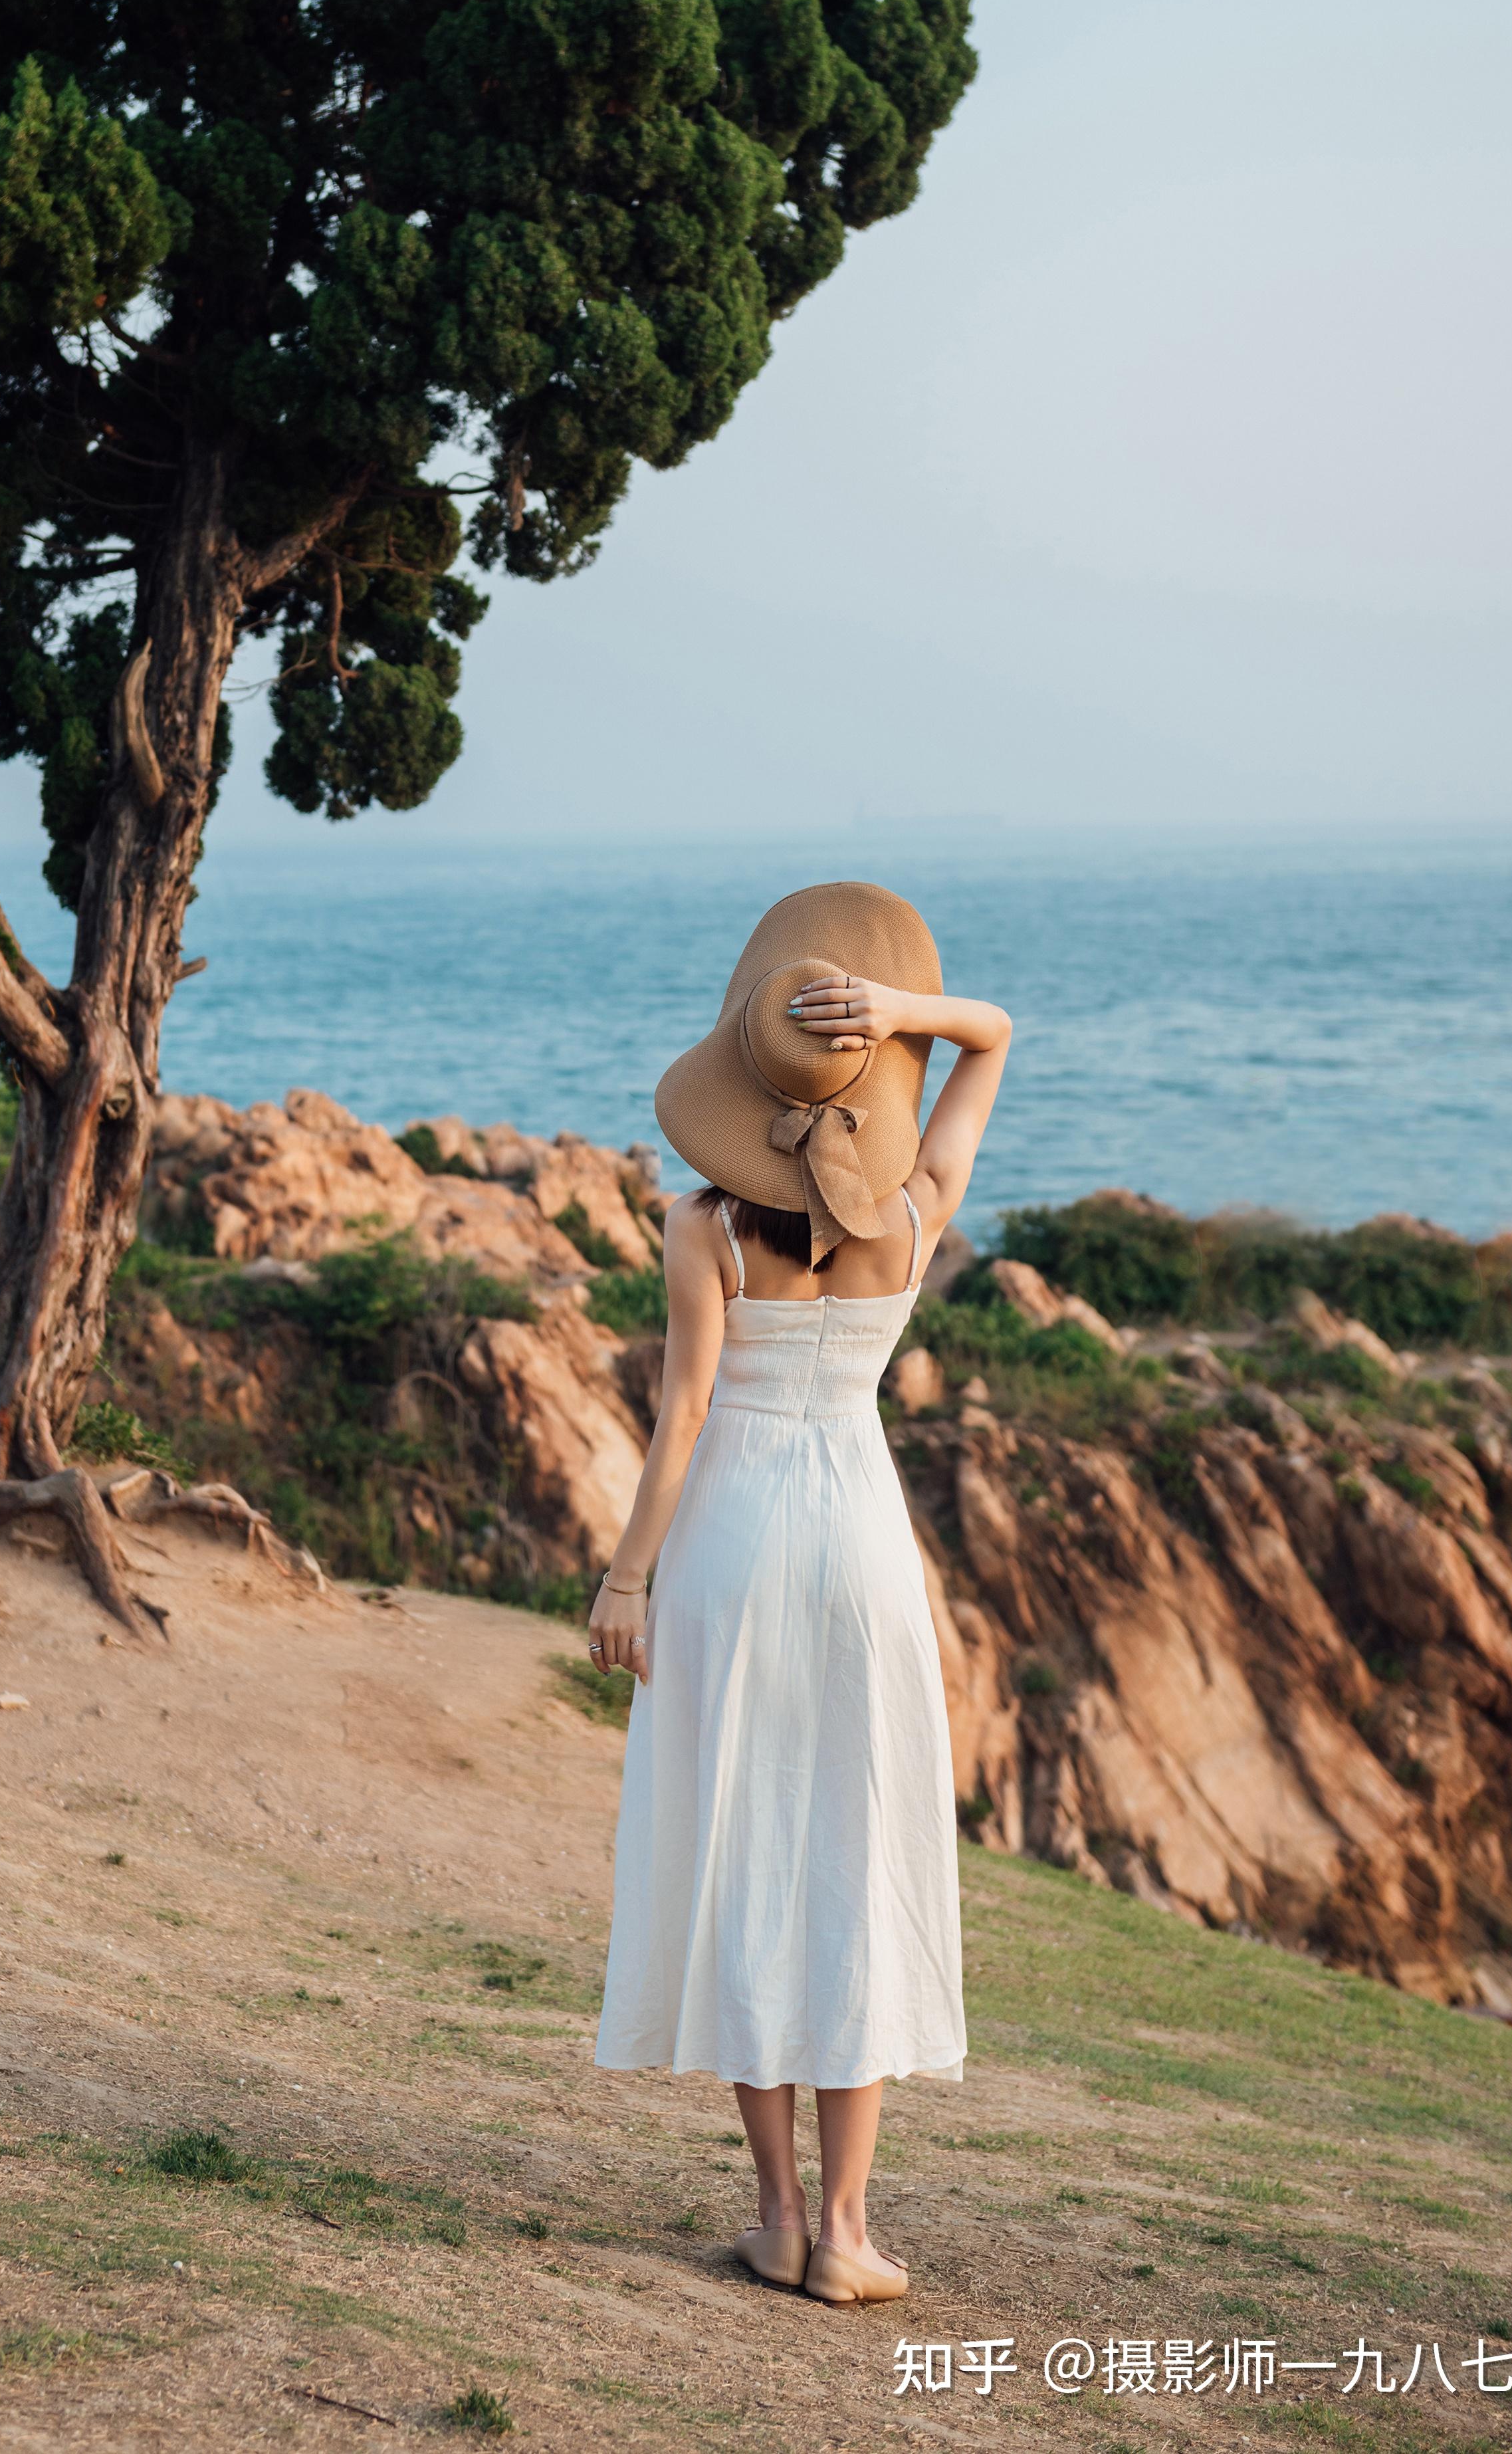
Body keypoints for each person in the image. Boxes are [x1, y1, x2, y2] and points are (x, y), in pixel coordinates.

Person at [587, 881, 1012, 2308]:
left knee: (743, 1853)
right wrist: (906, 1015)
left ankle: (772, 2213)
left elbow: (684, 1417)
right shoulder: (914, 1207)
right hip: (860, 1543)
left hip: (732, 1545)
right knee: (856, 1856)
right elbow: (995, 1036)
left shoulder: (697, 1222)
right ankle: (845, 2225)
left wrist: (622, 1576)